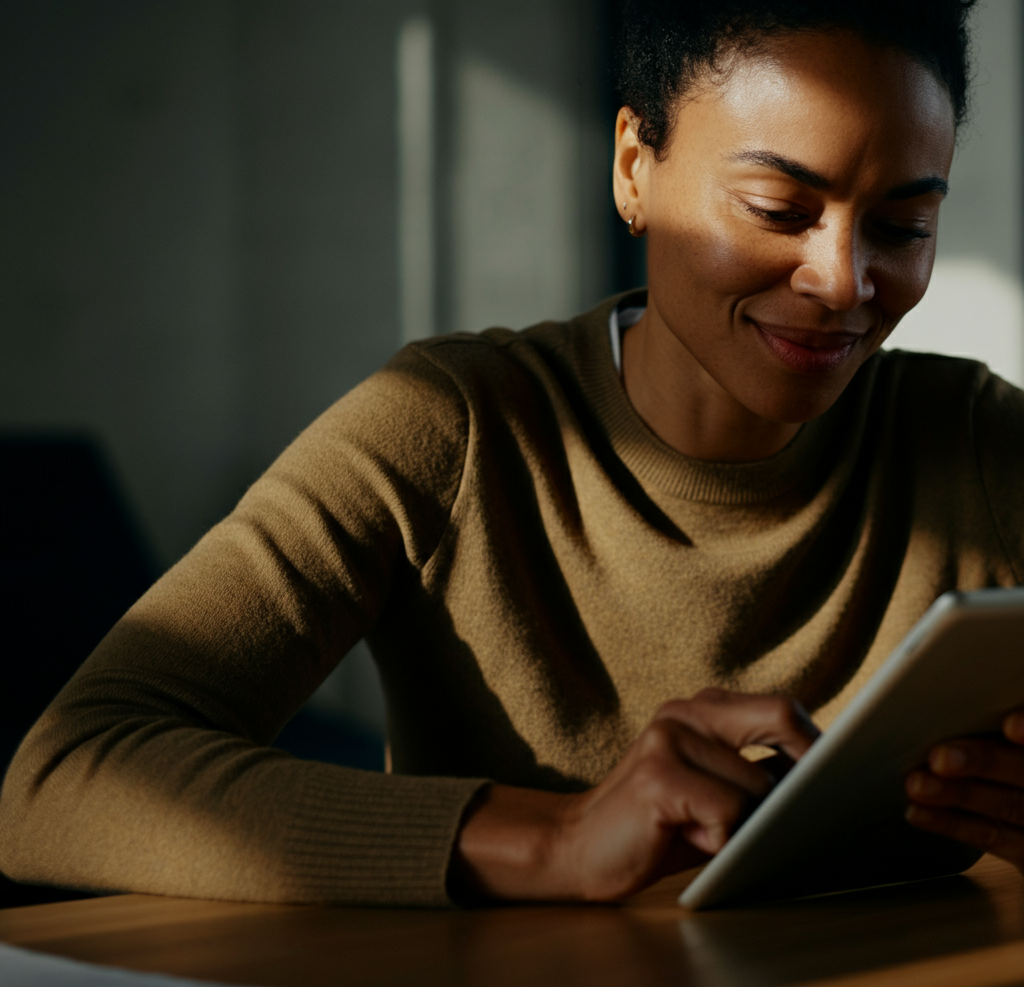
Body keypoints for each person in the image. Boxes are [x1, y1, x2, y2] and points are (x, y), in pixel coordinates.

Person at [2, 0, 1022, 907]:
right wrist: (555, 840)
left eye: (901, 224)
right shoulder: (452, 426)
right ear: (634, 167)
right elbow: (59, 780)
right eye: (777, 212)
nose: (844, 282)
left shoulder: (978, 444)